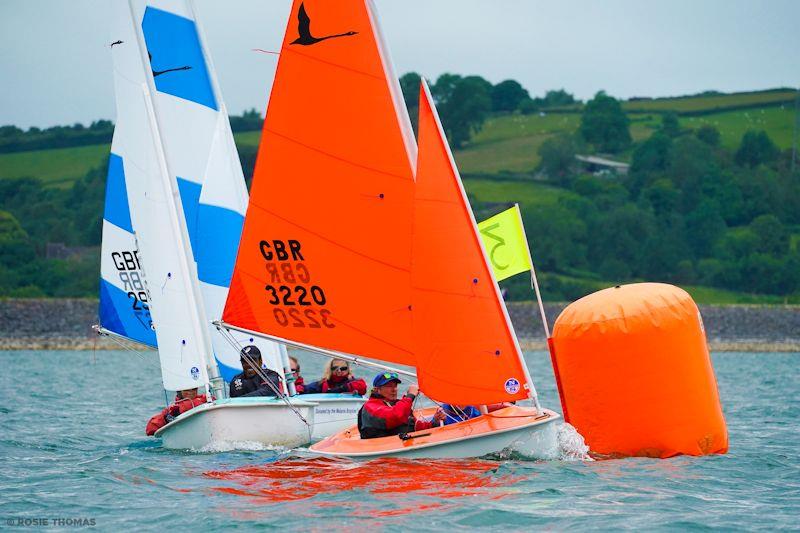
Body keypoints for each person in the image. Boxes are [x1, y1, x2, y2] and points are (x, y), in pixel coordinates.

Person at [357, 372, 444, 439]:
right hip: (381, 456)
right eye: (389, 386)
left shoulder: (397, 405)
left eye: (395, 386)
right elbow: (395, 416)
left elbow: (413, 426)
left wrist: (434, 422)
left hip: (400, 448)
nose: (394, 389)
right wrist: (410, 396)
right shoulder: (371, 406)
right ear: (377, 390)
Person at [302, 358, 367, 395]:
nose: (339, 371)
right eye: (335, 368)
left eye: (343, 368)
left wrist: (341, 389)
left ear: (348, 369)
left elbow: (363, 387)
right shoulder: (323, 383)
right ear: (330, 369)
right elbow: (305, 388)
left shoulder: (354, 382)